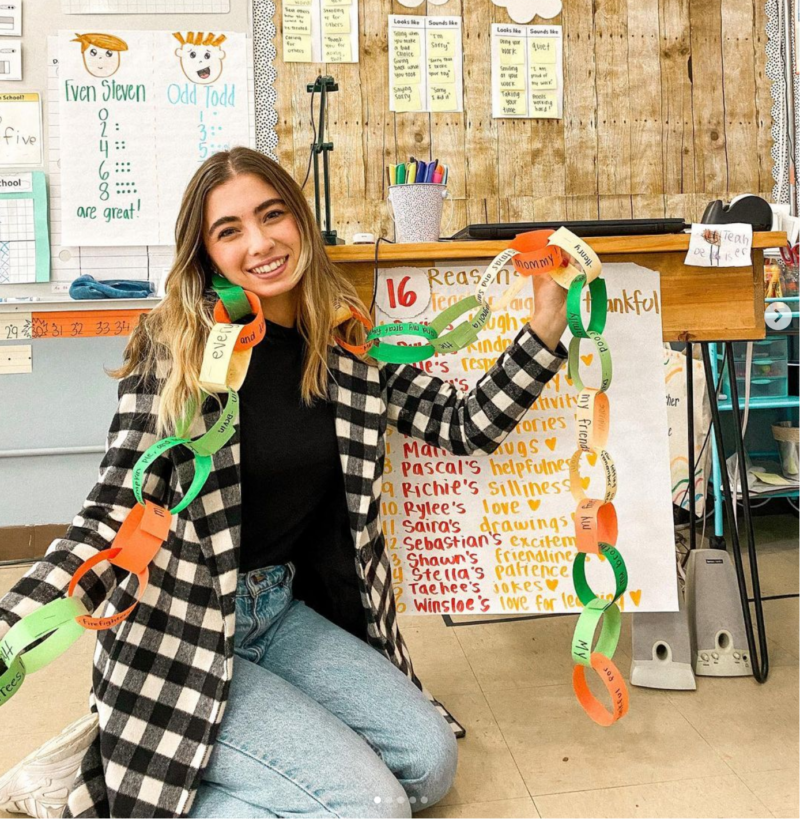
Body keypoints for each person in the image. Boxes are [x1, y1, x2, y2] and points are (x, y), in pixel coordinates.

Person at [0, 147, 568, 819]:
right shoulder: (182, 351)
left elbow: (465, 425)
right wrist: (9, 626)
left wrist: (547, 318)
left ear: (300, 220)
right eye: (230, 229)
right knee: (373, 805)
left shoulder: (348, 347)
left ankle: (147, 762)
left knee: (430, 759)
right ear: (207, 253)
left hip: (278, 609)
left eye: (273, 215)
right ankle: (115, 779)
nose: (261, 242)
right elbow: (109, 517)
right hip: (182, 627)